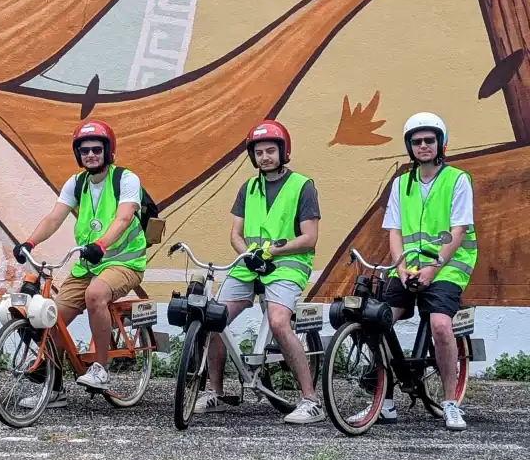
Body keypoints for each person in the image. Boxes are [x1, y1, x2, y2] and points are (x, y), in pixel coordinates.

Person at [195, 119, 325, 425]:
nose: (265, 156)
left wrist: (274, 252)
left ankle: (310, 400)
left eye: (270, 150)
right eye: (259, 152)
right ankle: (216, 392)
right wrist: (246, 254)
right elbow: (235, 234)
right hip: (250, 264)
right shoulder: (248, 188)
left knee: (280, 323)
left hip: (287, 265)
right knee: (213, 319)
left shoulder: (302, 186)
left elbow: (310, 238)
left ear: (283, 151)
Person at [14, 120, 148, 406]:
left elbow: (123, 218)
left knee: (95, 294)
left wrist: (101, 245)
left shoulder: (125, 179)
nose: (90, 155)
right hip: (88, 265)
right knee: (50, 318)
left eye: (96, 149)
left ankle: (100, 368)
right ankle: (54, 387)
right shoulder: (77, 183)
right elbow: (54, 218)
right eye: (84, 150)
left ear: (108, 151)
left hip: (124, 262)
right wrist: (29, 243)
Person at [357, 112, 475, 431]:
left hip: (447, 267)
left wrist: (432, 270)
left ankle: (450, 403)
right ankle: (385, 401)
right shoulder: (401, 184)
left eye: (429, 140)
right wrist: (402, 268)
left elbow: (459, 231)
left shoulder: (457, 180)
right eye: (416, 141)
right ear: (410, 147)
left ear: (441, 144)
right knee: (376, 322)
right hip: (407, 266)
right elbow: (394, 232)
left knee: (439, 326)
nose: (422, 145)